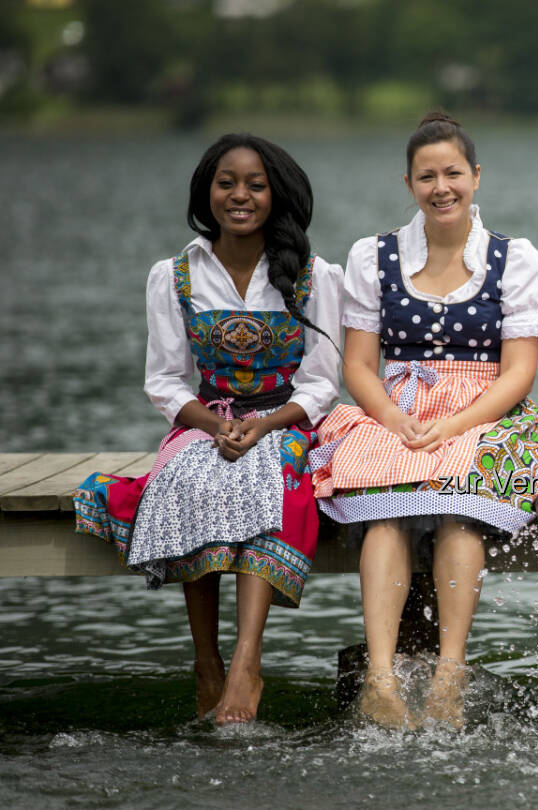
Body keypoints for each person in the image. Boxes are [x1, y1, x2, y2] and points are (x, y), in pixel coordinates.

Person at [74, 134, 342, 726]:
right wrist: (218, 426)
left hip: (284, 419)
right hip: (207, 419)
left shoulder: (316, 275)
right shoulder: (172, 275)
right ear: (206, 191)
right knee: (195, 475)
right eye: (227, 183)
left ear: (277, 195)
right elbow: (166, 381)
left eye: (255, 184)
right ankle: (206, 661)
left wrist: (264, 424)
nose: (239, 196)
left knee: (267, 475)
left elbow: (322, 384)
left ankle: (248, 660)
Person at [309, 111, 538, 730]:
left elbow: (519, 373)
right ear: (409, 184)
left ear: (476, 176)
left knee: (459, 506)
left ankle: (449, 672)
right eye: (426, 176)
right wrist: (392, 415)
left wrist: (456, 423)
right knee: (386, 507)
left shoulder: (514, 259)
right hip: (395, 408)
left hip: (485, 411)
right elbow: (360, 365)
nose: (441, 187)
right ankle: (383, 679)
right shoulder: (375, 255)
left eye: (452, 173)